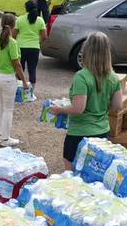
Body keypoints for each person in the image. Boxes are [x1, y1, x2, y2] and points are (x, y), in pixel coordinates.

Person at [50, 32, 123, 171]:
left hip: (80, 132)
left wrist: (59, 109)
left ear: (86, 50)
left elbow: (78, 108)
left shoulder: (82, 76)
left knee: (70, 168)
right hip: (102, 131)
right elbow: (117, 105)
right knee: (93, 172)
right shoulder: (113, 77)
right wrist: (100, 105)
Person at [0, 13, 31, 148]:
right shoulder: (12, 42)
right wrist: (25, 82)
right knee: (8, 109)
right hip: (8, 78)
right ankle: (5, 138)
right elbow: (17, 64)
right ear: (14, 25)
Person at [14, 0, 47, 97]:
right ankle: (30, 93)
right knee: (32, 69)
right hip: (34, 48)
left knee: (21, 69)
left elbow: (14, 35)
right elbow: (44, 36)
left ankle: (20, 91)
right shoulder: (40, 20)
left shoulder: (20, 20)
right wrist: (38, 42)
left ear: (26, 8)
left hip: (21, 48)